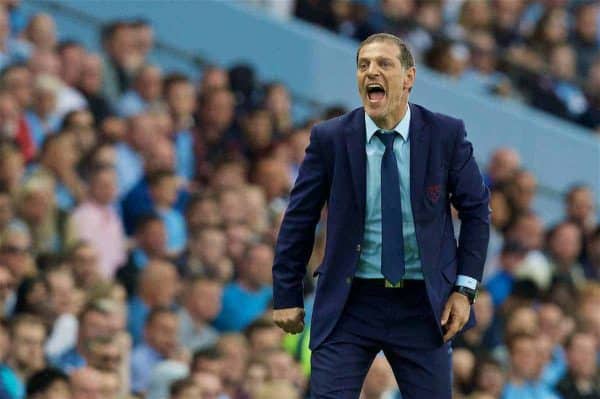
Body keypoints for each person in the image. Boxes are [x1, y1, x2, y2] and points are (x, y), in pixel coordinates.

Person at [272, 33, 490, 398]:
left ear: (409, 78)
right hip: (349, 303)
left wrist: (464, 290)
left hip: (422, 306)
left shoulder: (445, 135)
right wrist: (286, 293)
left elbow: (476, 211)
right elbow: (299, 218)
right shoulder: (331, 138)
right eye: (363, 65)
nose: (371, 71)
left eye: (384, 64)